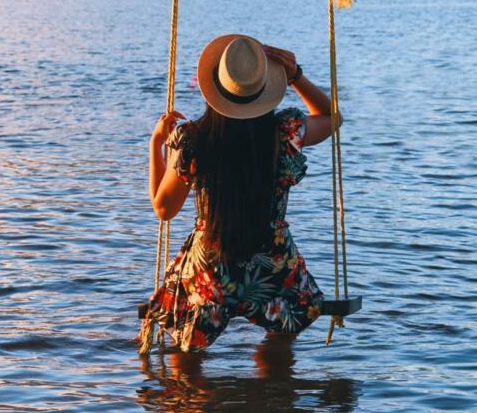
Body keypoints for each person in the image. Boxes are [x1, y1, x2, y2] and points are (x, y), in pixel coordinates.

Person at [142, 34, 341, 352]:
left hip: (210, 268)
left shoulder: (192, 139)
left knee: (186, 360)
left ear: (215, 89)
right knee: (279, 348)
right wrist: (297, 77)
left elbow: (163, 210)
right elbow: (333, 118)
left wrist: (155, 145)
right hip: (273, 265)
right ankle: (273, 391)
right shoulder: (285, 132)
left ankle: (196, 393)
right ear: (265, 90)